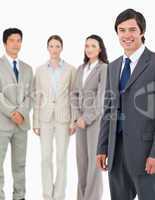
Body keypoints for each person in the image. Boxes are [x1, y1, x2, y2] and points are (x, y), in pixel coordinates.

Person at [96, 8, 155, 200]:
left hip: (146, 153)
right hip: (116, 152)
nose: (126, 35)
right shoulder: (113, 67)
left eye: (132, 30)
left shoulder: (153, 63)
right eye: (122, 30)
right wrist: (102, 147)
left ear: (142, 32)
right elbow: (108, 110)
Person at [33, 35, 76, 200]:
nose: (54, 49)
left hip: (63, 118)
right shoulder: (40, 70)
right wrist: (35, 121)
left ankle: (59, 195)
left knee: (61, 158)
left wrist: (73, 120)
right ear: (47, 48)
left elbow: (73, 96)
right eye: (51, 46)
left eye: (57, 46)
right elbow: (37, 97)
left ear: (62, 48)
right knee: (45, 157)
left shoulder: (71, 69)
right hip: (44, 118)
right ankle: (47, 195)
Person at [71, 34, 108, 200]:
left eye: (93, 46)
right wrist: (78, 117)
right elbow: (74, 94)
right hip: (79, 123)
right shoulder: (80, 69)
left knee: (94, 164)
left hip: (95, 122)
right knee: (82, 163)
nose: (89, 49)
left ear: (100, 49)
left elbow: (102, 98)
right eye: (87, 46)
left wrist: (86, 118)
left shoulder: (104, 68)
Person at [0, 28, 33, 200]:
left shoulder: (27, 69)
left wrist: (21, 113)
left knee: (20, 165)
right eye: (12, 40)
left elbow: (31, 95)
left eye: (18, 40)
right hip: (2, 124)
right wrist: (12, 112)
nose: (15, 43)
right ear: (5, 43)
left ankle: (19, 197)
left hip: (21, 125)